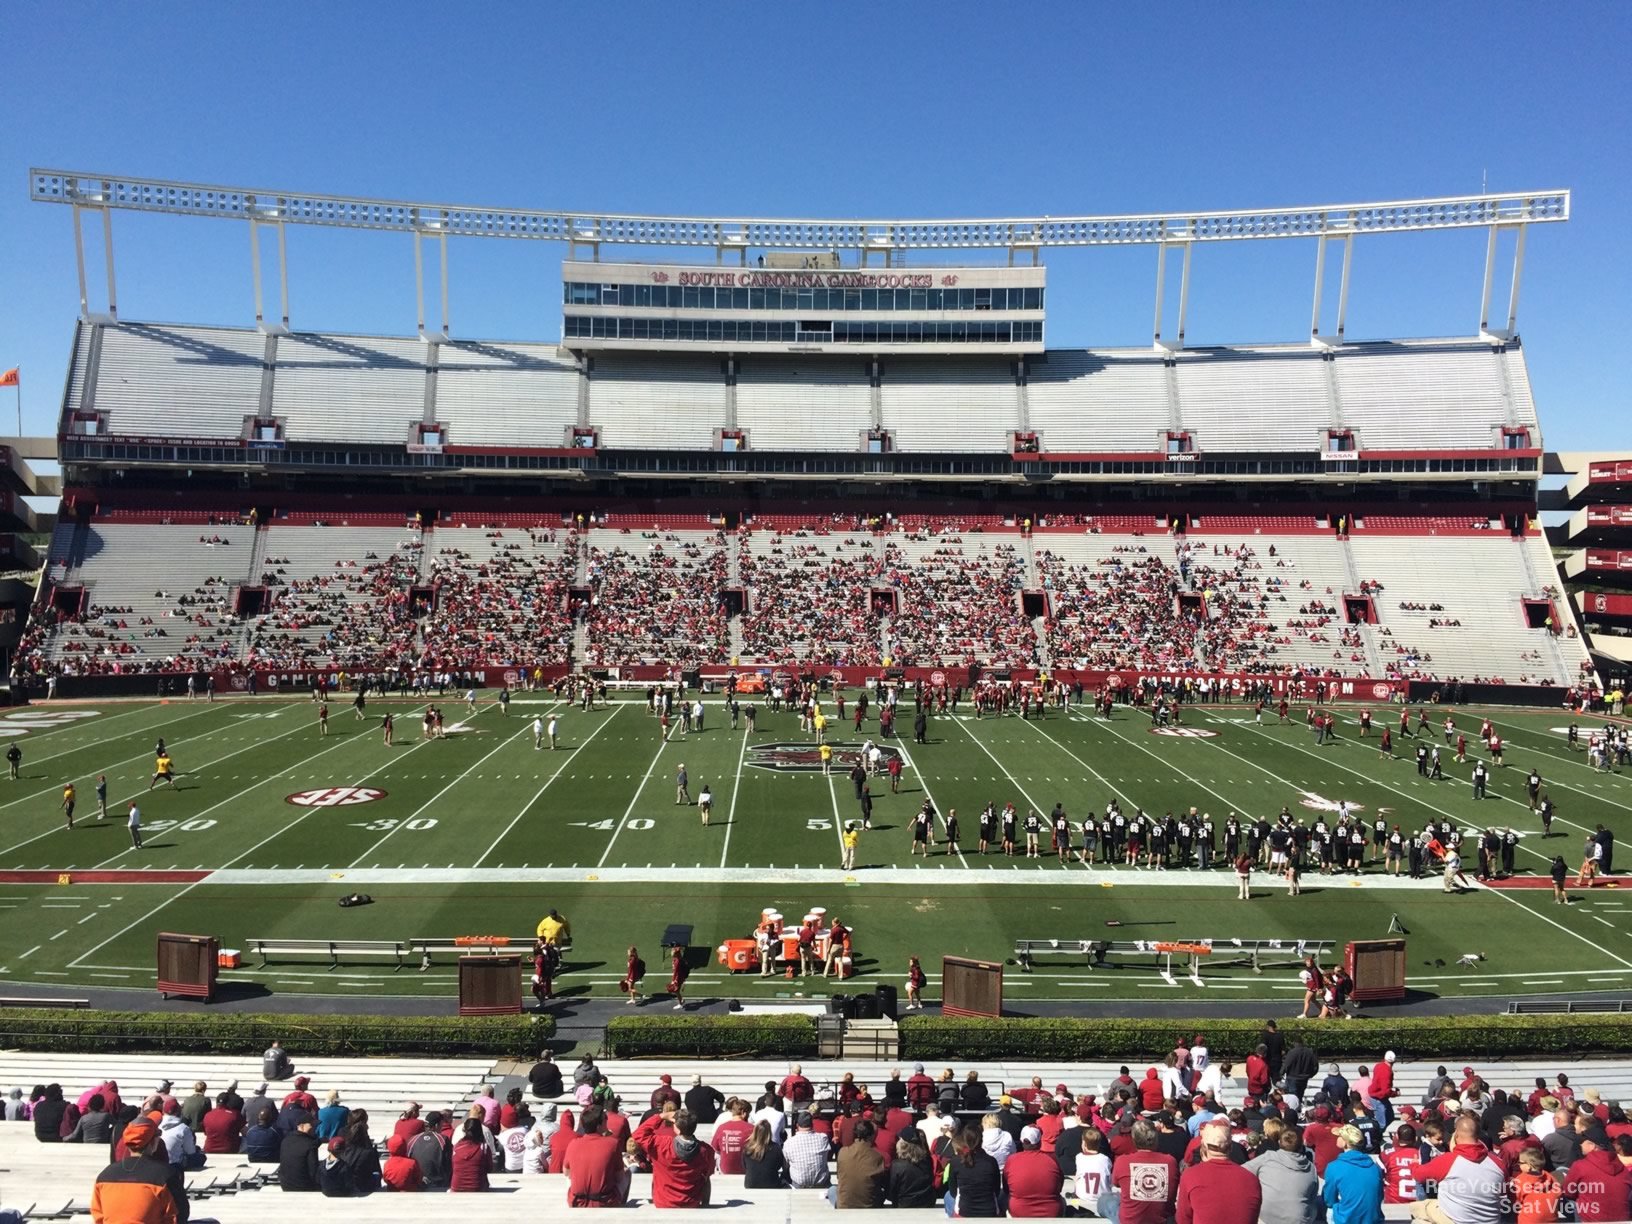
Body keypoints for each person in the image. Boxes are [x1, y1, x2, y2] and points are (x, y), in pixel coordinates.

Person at [92, 1117, 183, 1224]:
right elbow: (179, 1215)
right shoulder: (165, 1175)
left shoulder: (104, 1176)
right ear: (153, 1141)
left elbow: (98, 1216)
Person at [1248, 1124, 1322, 1224]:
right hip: (1300, 1219)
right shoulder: (1311, 1167)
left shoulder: (1268, 1157)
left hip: (1267, 1217)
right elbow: (1312, 1198)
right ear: (1301, 1145)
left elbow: (1241, 1172)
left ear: (1279, 1142)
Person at [563, 1102, 629, 1207]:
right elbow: (620, 1176)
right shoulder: (613, 1143)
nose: (607, 1122)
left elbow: (566, 1173)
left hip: (577, 1201)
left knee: (570, 1175)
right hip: (605, 1201)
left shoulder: (573, 1143)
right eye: (605, 1120)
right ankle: (620, 1204)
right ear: (599, 1126)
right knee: (627, 1172)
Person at [1113, 1119, 1178, 1224]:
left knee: (1106, 1200)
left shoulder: (1122, 1161)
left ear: (1133, 1139)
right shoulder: (1170, 1162)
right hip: (1163, 1220)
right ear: (1156, 1138)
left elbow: (1116, 1183)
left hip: (1131, 1221)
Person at [1563, 1125, 1630, 1221]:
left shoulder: (1580, 1166)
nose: (1580, 1144)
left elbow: (1569, 1192)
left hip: (1591, 1220)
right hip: (1623, 1220)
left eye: (1583, 1142)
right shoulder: (1622, 1168)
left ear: (1593, 1146)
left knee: (1565, 1201)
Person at [1323, 1124, 1385, 1224]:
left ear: (1345, 1143)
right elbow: (1379, 1196)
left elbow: (1329, 1200)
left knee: (1330, 1210)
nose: (1337, 1138)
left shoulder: (1334, 1167)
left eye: (1339, 1137)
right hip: (1372, 1219)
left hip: (1346, 1219)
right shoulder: (1374, 1167)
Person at [1006, 1123, 1066, 1217]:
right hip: (1051, 1213)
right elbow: (1060, 1187)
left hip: (1019, 1213)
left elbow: (1006, 1189)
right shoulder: (1052, 1160)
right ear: (1040, 1142)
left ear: (1022, 1141)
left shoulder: (1011, 1160)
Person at [784, 1110, 831, 1189]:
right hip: (821, 1184)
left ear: (797, 1125)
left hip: (799, 1185)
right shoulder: (823, 1138)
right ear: (812, 1124)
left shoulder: (789, 1142)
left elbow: (785, 1165)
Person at [278, 1112, 322, 1191]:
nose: (314, 1127)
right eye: (311, 1124)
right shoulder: (310, 1144)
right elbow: (313, 1171)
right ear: (301, 1126)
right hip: (305, 1186)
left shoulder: (286, 1140)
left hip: (285, 1185)